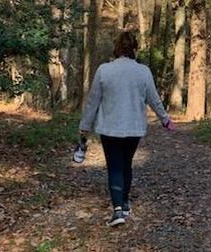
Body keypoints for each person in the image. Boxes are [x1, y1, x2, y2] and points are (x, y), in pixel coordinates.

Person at [79, 31, 174, 227]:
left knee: (114, 166)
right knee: (126, 164)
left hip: (110, 129)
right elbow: (154, 99)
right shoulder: (143, 71)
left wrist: (84, 128)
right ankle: (124, 203)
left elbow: (92, 102)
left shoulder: (104, 70)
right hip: (134, 129)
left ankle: (117, 210)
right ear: (134, 49)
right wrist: (165, 120)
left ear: (116, 49)